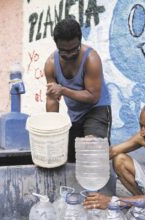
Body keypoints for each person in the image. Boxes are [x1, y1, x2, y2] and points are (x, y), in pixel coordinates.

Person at [44, 18, 115, 193]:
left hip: (96, 109)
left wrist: (64, 90)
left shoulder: (91, 58)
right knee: (68, 157)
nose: (68, 55)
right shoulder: (51, 64)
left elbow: (92, 96)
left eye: (73, 50)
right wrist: (53, 129)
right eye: (63, 51)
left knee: (93, 152)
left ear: (80, 41)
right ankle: (75, 200)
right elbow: (53, 98)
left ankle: (104, 199)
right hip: (75, 115)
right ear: (57, 45)